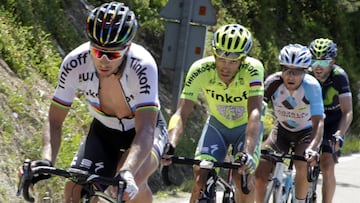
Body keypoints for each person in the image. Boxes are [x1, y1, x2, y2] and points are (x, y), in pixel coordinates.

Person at [23, 2, 168, 202]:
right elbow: (54, 120)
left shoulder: (143, 66)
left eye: (113, 54)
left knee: (125, 187)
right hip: (104, 130)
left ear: (127, 48)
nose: (104, 61)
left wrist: (127, 171)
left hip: (143, 132)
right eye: (98, 52)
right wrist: (47, 160)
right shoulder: (75, 62)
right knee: (74, 190)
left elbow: (146, 130)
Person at [162, 24, 265, 203]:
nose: (225, 67)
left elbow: (255, 111)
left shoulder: (253, 69)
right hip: (218, 124)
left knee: (242, 179)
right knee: (200, 177)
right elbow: (181, 112)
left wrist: (247, 152)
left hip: (245, 127)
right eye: (221, 59)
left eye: (233, 61)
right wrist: (170, 143)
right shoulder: (200, 69)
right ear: (214, 54)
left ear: (243, 59)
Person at [254, 44, 324, 203]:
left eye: (297, 71)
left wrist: (313, 148)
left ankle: (299, 201)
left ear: (305, 71)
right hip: (281, 131)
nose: (291, 76)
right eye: (286, 69)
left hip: (305, 133)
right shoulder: (272, 82)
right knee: (261, 170)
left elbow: (319, 122)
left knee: (302, 165)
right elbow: (257, 114)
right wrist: (254, 143)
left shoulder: (312, 86)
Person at [309, 38, 353, 203]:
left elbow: (347, 111)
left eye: (324, 61)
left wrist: (340, 133)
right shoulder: (305, 75)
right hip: (312, 120)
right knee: (302, 160)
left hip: (333, 123)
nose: (318, 66)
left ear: (332, 61)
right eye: (314, 60)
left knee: (327, 165)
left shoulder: (339, 76)